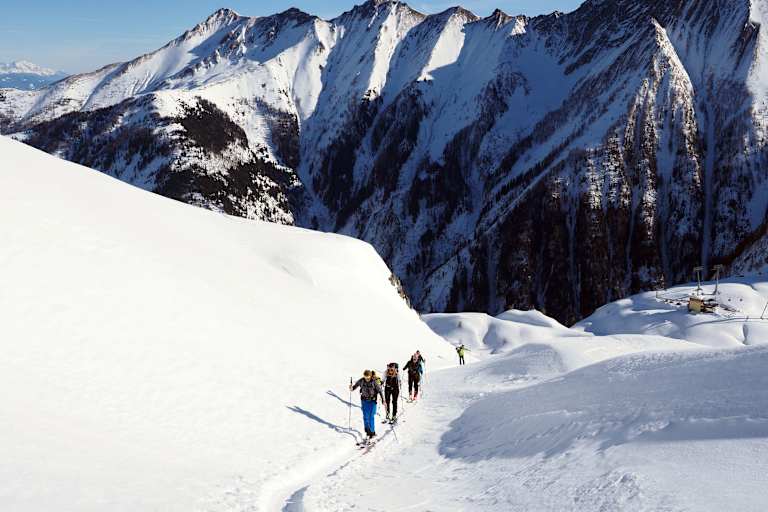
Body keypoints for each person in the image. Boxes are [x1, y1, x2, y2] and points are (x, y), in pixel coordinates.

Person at [350, 369, 385, 442]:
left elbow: (380, 391)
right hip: (364, 401)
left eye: (368, 378)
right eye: (365, 377)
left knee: (371, 416)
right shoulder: (362, 381)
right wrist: (351, 388)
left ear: (370, 376)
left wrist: (383, 400)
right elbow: (355, 387)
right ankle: (367, 431)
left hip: (372, 401)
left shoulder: (374, 382)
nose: (367, 379)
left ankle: (372, 432)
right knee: (365, 417)